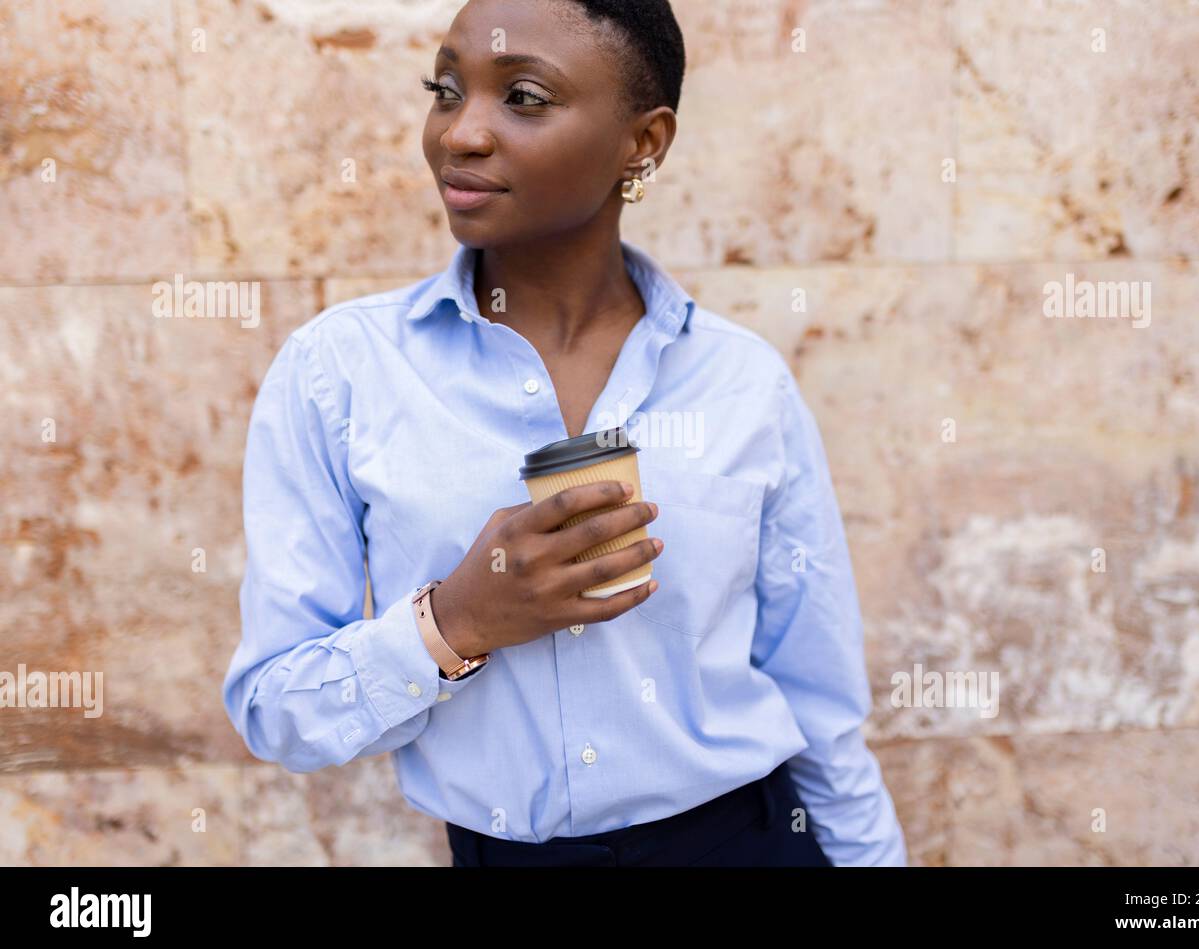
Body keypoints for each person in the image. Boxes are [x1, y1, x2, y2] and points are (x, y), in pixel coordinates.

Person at [222, 0, 907, 867]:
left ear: (643, 142)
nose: (459, 134)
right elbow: (274, 708)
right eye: (445, 89)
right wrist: (455, 622)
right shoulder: (340, 373)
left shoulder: (744, 383)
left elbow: (824, 711)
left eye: (525, 98)